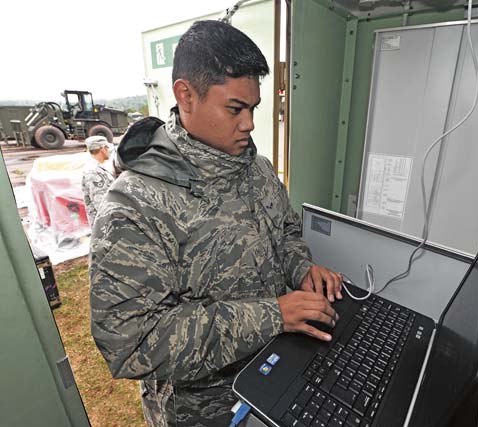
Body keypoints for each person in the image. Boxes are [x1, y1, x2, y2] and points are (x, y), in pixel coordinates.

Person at [89, 20, 344, 427]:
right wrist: (274, 315)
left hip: (276, 380)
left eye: (253, 109)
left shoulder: (257, 170)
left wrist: (302, 269)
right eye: (235, 109)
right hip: (203, 414)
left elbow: (286, 233)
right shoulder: (135, 206)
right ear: (185, 95)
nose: (249, 124)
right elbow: (131, 342)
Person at [81, 135, 115, 227]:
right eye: (107, 148)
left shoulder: (97, 168)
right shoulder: (94, 172)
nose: (109, 151)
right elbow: (101, 204)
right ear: (103, 149)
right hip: (105, 226)